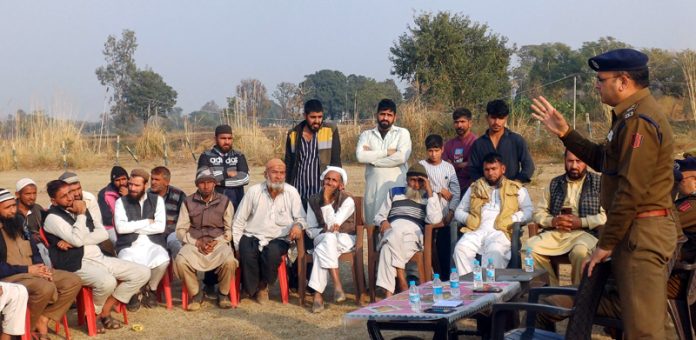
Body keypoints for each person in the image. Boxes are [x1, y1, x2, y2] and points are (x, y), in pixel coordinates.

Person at [531, 48, 677, 339]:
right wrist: (566, 133)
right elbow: (603, 159)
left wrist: (605, 244)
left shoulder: (640, 121)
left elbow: (630, 191)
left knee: (643, 330)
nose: (596, 85)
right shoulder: (628, 117)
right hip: (634, 231)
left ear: (623, 82)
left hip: (642, 234)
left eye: (601, 79)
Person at [43, 180, 150, 332]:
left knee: (142, 272)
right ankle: (92, 315)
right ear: (53, 201)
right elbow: (79, 239)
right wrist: (80, 216)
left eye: (70, 192)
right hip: (76, 263)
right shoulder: (52, 218)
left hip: (98, 257)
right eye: (63, 196)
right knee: (107, 282)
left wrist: (76, 241)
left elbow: (103, 233)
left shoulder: (80, 206)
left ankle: (103, 311)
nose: (70, 197)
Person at [0, 189, 81, 339]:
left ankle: (42, 319)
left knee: (72, 280)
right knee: (44, 287)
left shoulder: (19, 224)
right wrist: (28, 269)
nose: (13, 210)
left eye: (13, 206)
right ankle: (24, 330)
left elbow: (34, 250)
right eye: (7, 207)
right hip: (10, 276)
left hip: (32, 270)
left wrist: (41, 267)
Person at [526, 150, 606, 286]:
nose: (574, 166)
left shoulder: (599, 183)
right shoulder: (555, 183)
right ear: (564, 161)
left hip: (585, 234)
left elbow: (606, 216)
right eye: (570, 161)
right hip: (557, 233)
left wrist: (581, 222)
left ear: (585, 162)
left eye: (578, 161)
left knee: (579, 252)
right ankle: (551, 290)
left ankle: (577, 293)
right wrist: (553, 221)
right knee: (530, 247)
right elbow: (538, 212)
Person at [233, 159, 306, 303]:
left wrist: (298, 226)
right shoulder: (254, 191)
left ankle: (262, 287)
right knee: (246, 251)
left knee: (272, 253)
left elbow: (301, 218)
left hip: (280, 237)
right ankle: (249, 288)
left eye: (282, 173)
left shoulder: (291, 192)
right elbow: (239, 220)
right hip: (252, 234)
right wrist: (236, 246)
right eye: (274, 172)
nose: (278, 176)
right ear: (266, 174)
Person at [452, 153, 533, 275]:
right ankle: (469, 286)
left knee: (494, 252)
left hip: (500, 231)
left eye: (494, 169)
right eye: (487, 169)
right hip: (476, 231)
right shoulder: (475, 187)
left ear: (503, 169)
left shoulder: (516, 188)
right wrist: (468, 219)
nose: (490, 173)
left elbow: (528, 211)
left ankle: (489, 288)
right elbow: (459, 211)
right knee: (460, 249)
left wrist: (512, 219)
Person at [174, 167, 238, 311]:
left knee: (229, 262)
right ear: (197, 184)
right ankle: (196, 294)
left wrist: (218, 241)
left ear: (215, 184)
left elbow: (229, 229)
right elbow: (180, 230)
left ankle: (223, 294)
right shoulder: (188, 202)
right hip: (195, 242)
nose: (206, 186)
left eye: (210, 182)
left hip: (218, 242)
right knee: (180, 261)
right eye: (202, 182)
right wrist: (196, 242)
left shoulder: (225, 201)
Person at [374, 164, 442, 297]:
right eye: (413, 180)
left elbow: (435, 219)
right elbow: (379, 216)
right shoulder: (394, 192)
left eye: (420, 181)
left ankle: (392, 289)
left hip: (413, 236)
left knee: (388, 246)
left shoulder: (428, 197)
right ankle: (399, 282)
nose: (416, 184)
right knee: (392, 236)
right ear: (407, 180)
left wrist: (429, 190)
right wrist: (383, 221)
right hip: (392, 231)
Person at [113, 169, 169, 311]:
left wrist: (132, 226)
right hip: (129, 244)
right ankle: (134, 291)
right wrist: (146, 222)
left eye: (137, 186)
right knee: (127, 261)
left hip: (153, 242)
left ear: (145, 186)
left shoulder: (157, 201)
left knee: (163, 260)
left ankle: (151, 289)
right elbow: (121, 228)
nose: (132, 188)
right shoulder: (121, 202)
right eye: (130, 184)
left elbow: (160, 227)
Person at [305, 166, 355, 313]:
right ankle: (337, 284)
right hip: (321, 237)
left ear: (341, 185)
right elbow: (310, 229)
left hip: (345, 238)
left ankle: (318, 295)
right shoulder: (313, 200)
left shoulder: (348, 200)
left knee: (323, 247)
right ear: (322, 181)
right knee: (328, 239)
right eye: (327, 178)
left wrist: (326, 201)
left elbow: (334, 225)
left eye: (334, 180)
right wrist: (324, 231)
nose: (329, 182)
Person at [356, 98, 412, 226]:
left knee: (395, 229)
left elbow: (401, 157)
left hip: (396, 190)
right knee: (373, 230)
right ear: (377, 115)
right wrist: (386, 152)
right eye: (382, 114)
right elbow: (360, 156)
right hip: (373, 191)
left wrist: (373, 161)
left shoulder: (402, 133)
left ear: (395, 117)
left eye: (389, 115)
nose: (385, 118)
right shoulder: (367, 135)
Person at [285, 99, 342, 206]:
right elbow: (289, 164)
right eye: (313, 117)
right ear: (305, 116)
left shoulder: (330, 131)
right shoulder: (293, 134)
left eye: (320, 117)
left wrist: (337, 184)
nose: (317, 121)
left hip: (321, 192)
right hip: (298, 192)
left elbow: (336, 162)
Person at [419, 134, 460, 277]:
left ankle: (446, 277)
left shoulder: (449, 168)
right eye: (430, 151)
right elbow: (418, 187)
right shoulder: (421, 166)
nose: (433, 154)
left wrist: (451, 212)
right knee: (428, 249)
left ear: (442, 149)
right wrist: (439, 190)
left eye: (436, 150)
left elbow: (455, 192)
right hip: (427, 214)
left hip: (446, 214)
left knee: (445, 247)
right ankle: (430, 277)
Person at [468, 100, 535, 184]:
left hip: (511, 191)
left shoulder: (516, 140)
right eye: (493, 117)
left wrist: (516, 182)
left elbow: (529, 166)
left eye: (500, 118)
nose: (496, 122)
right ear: (487, 117)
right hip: (486, 192)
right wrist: (482, 183)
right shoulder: (478, 144)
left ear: (506, 118)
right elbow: (472, 169)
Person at [197, 124, 249, 210]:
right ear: (215, 139)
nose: (227, 142)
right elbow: (202, 177)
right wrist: (227, 173)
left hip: (236, 204)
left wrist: (221, 182)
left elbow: (245, 179)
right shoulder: (206, 156)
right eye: (223, 138)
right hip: (212, 205)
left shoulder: (239, 155)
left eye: (229, 138)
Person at [148, 166, 186, 258]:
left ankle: (180, 269)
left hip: (173, 232)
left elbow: (186, 217)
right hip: (153, 233)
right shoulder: (146, 195)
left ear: (166, 182)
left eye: (157, 179)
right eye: (152, 179)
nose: (153, 182)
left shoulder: (179, 195)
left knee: (175, 243)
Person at [15, 178, 50, 264]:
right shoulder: (11, 210)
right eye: (28, 194)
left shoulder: (37, 209)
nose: (32, 197)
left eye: (34, 193)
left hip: (39, 246)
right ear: (17, 194)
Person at [443, 108, 477, 195]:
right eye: (456, 122)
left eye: (462, 122)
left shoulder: (476, 143)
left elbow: (474, 165)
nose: (459, 125)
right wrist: (463, 164)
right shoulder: (449, 144)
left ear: (470, 123)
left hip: (470, 188)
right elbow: (444, 166)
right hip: (450, 188)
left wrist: (454, 165)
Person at [98, 166, 129, 244]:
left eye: (124, 179)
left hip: (132, 224)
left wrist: (128, 197)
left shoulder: (133, 190)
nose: (121, 183)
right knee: (122, 242)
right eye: (117, 180)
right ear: (112, 181)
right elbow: (107, 218)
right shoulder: (104, 194)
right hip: (112, 227)